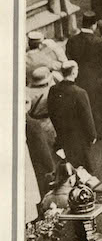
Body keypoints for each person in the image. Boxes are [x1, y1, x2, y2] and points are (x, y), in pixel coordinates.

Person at [47, 61, 96, 171]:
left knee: (68, 164)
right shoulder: (80, 93)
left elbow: (51, 111)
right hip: (78, 136)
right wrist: (92, 135)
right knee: (83, 167)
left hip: (62, 134)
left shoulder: (53, 90)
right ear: (74, 73)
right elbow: (87, 117)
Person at [25, 67, 59, 197]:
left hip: (32, 120)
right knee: (49, 150)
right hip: (47, 122)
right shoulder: (50, 90)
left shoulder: (27, 91)